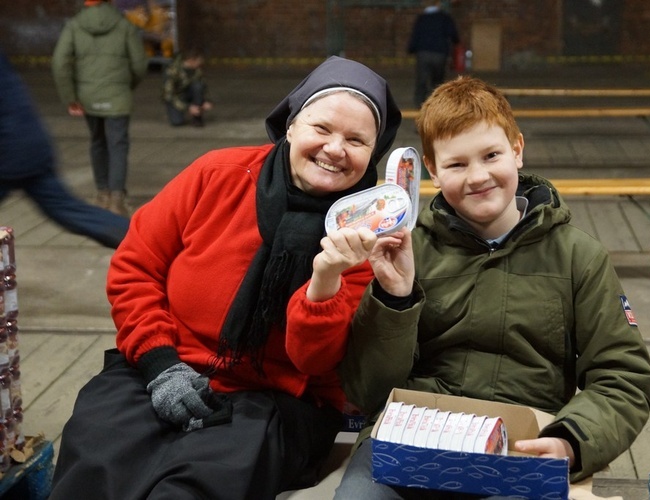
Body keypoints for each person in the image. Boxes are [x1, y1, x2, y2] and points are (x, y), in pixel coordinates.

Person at [49, 55, 401, 500]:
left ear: (373, 153)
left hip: (274, 400)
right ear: (291, 125)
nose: (336, 148)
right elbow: (136, 267)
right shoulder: (218, 174)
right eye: (322, 128)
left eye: (356, 139)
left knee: (190, 488)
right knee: (96, 463)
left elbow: (315, 363)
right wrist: (160, 365)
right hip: (164, 366)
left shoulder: (368, 230)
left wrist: (325, 279)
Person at [334, 76, 650, 498]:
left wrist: (570, 440)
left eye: (491, 155)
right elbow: (367, 390)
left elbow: (622, 375)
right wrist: (395, 298)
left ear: (517, 150)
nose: (478, 176)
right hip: (413, 440)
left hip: (523, 443)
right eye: (457, 164)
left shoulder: (578, 256)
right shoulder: (407, 251)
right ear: (432, 170)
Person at [0, 51, 129, 249]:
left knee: (67, 209)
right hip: (30, 143)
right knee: (69, 210)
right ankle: (144, 239)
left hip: (8, 149)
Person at [51, 0, 148, 217]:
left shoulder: (74, 25)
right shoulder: (124, 25)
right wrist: (125, 86)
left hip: (88, 97)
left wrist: (71, 97)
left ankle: (102, 194)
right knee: (118, 144)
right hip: (118, 96)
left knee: (97, 141)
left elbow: (60, 63)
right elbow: (140, 64)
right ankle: (117, 199)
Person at [407, 0, 459, 108]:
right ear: (437, 4)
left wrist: (411, 49)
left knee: (422, 80)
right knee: (437, 81)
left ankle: (419, 105)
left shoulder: (421, 19)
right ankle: (436, 105)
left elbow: (415, 36)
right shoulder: (445, 18)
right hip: (439, 53)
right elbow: (453, 35)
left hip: (423, 53)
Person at [162, 47, 213, 127]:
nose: (201, 63)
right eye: (198, 61)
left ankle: (197, 117)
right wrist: (187, 107)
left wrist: (205, 101)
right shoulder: (172, 70)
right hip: (176, 97)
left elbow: (203, 85)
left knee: (198, 86)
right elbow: (168, 95)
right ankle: (185, 112)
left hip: (189, 92)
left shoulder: (197, 70)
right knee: (177, 122)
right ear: (191, 60)